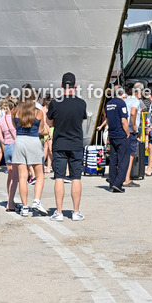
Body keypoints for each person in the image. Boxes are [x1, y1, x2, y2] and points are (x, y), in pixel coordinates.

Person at [46, 72, 88, 221]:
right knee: (76, 178)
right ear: (75, 86)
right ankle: (76, 212)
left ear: (62, 85)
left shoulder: (55, 103)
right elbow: (81, 121)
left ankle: (59, 212)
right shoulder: (81, 103)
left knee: (59, 177)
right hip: (76, 144)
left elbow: (50, 123)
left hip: (60, 144)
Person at [12, 87, 48, 215]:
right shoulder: (39, 112)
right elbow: (40, 130)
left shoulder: (15, 111)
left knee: (22, 177)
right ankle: (36, 201)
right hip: (33, 141)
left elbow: (14, 126)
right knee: (40, 175)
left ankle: (25, 207)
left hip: (19, 141)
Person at [104, 85, 132, 193]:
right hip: (121, 135)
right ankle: (118, 183)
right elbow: (124, 120)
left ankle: (112, 183)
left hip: (112, 135)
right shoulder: (121, 103)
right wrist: (128, 133)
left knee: (113, 160)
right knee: (124, 160)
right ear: (121, 94)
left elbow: (107, 120)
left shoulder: (109, 104)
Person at [0, 97, 20, 211]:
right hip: (15, 146)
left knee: (10, 175)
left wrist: (5, 142)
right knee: (15, 177)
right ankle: (10, 203)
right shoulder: (15, 118)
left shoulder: (2, 119)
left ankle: (10, 199)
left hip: (7, 147)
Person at [123, 83, 143, 188]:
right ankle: (127, 179)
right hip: (131, 130)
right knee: (131, 155)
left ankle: (121, 177)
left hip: (124, 130)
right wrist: (134, 125)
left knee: (123, 154)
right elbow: (133, 112)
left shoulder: (126, 100)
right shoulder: (136, 101)